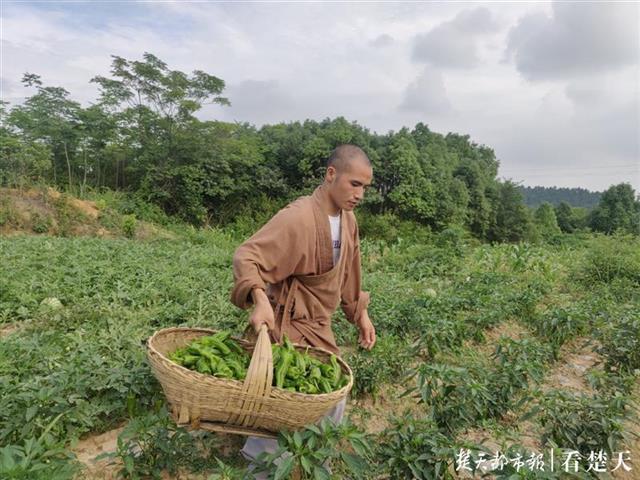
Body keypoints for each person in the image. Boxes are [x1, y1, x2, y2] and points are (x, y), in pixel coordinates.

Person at [229, 144, 376, 477]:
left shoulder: (348, 221)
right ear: (331, 174)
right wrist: (260, 299)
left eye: (365, 187)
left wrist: (359, 314)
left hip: (319, 325)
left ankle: (310, 467)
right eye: (354, 184)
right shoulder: (298, 217)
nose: (360, 194)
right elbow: (247, 256)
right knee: (280, 402)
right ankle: (262, 469)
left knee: (330, 396)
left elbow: (350, 272)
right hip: (288, 326)